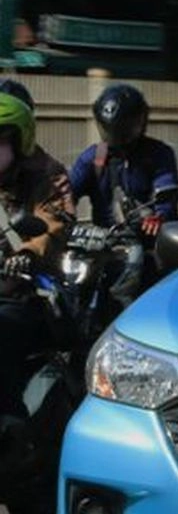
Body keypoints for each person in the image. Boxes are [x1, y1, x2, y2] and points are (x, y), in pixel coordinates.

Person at [0, 92, 75, 436]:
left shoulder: (48, 175)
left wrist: (27, 253)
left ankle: (10, 424)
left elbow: (55, 227)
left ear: (19, 140)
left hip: (33, 293)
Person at [69, 83, 178, 308]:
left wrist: (158, 216)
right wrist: (56, 213)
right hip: (103, 243)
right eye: (109, 129)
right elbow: (67, 192)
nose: (114, 136)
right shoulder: (93, 158)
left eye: (121, 128)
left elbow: (166, 191)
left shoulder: (158, 154)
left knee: (154, 291)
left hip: (149, 244)